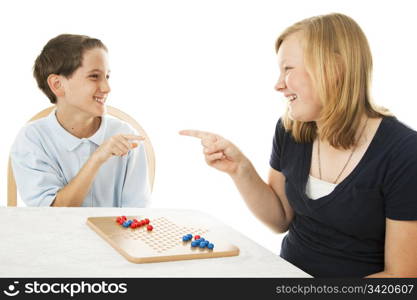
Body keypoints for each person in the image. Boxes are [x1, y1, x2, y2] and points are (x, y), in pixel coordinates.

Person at [180, 13, 417, 277]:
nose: (278, 85)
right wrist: (240, 169)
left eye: (288, 69)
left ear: (333, 68)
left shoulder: (405, 154)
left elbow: (401, 277)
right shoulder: (290, 130)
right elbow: (280, 218)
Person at [11, 34, 150, 207]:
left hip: (114, 235)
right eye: (94, 76)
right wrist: (97, 158)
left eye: (107, 76)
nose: (107, 88)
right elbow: (50, 215)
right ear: (57, 84)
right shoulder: (32, 139)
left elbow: (136, 213)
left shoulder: (126, 136)